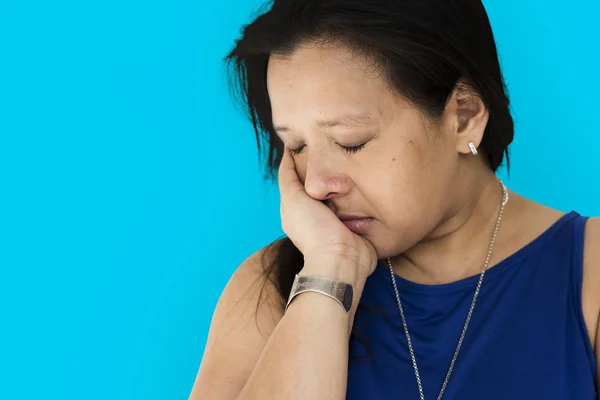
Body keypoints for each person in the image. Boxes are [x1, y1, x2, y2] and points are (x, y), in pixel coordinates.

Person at [189, 0, 600, 399]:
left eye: (351, 142)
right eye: (295, 146)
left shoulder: (588, 271)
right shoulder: (271, 286)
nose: (314, 185)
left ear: (464, 115)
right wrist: (330, 270)